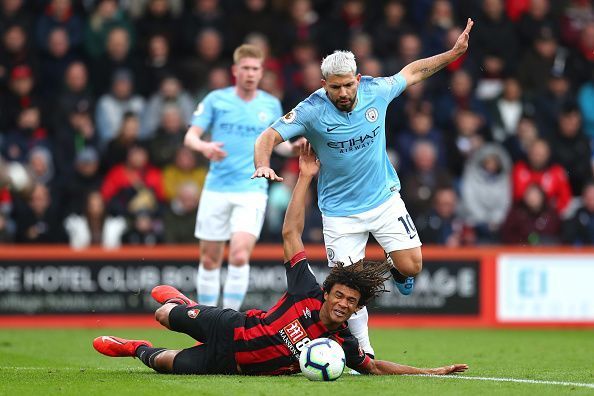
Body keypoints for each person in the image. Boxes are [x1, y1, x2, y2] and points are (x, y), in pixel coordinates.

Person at [92, 146, 468, 377]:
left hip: (231, 366)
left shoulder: (341, 343)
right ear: (328, 291)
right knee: (163, 316)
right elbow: (291, 235)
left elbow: (377, 367)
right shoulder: (305, 289)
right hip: (232, 328)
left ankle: (132, 346)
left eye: (351, 303)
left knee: (161, 362)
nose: (343, 305)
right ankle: (187, 305)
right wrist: (304, 178)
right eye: (340, 296)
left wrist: (432, 371)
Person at [252, 19, 475, 356]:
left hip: (384, 200)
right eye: (335, 88)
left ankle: (398, 270)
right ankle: (365, 353)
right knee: (346, 287)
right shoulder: (311, 110)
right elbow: (268, 136)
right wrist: (262, 164)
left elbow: (413, 72)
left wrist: (453, 53)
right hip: (339, 214)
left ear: (357, 80)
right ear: (324, 84)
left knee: (413, 266)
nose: (343, 93)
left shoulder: (376, 90)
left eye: (348, 86)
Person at [184, 44, 290, 311]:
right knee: (209, 260)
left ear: (261, 71)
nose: (250, 74)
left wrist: (294, 147)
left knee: (241, 254)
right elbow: (190, 136)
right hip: (217, 188)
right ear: (235, 70)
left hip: (252, 189)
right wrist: (204, 147)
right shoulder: (216, 99)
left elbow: (277, 142)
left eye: (255, 69)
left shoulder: (270, 103)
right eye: (245, 68)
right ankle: (206, 322)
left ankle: (228, 321)